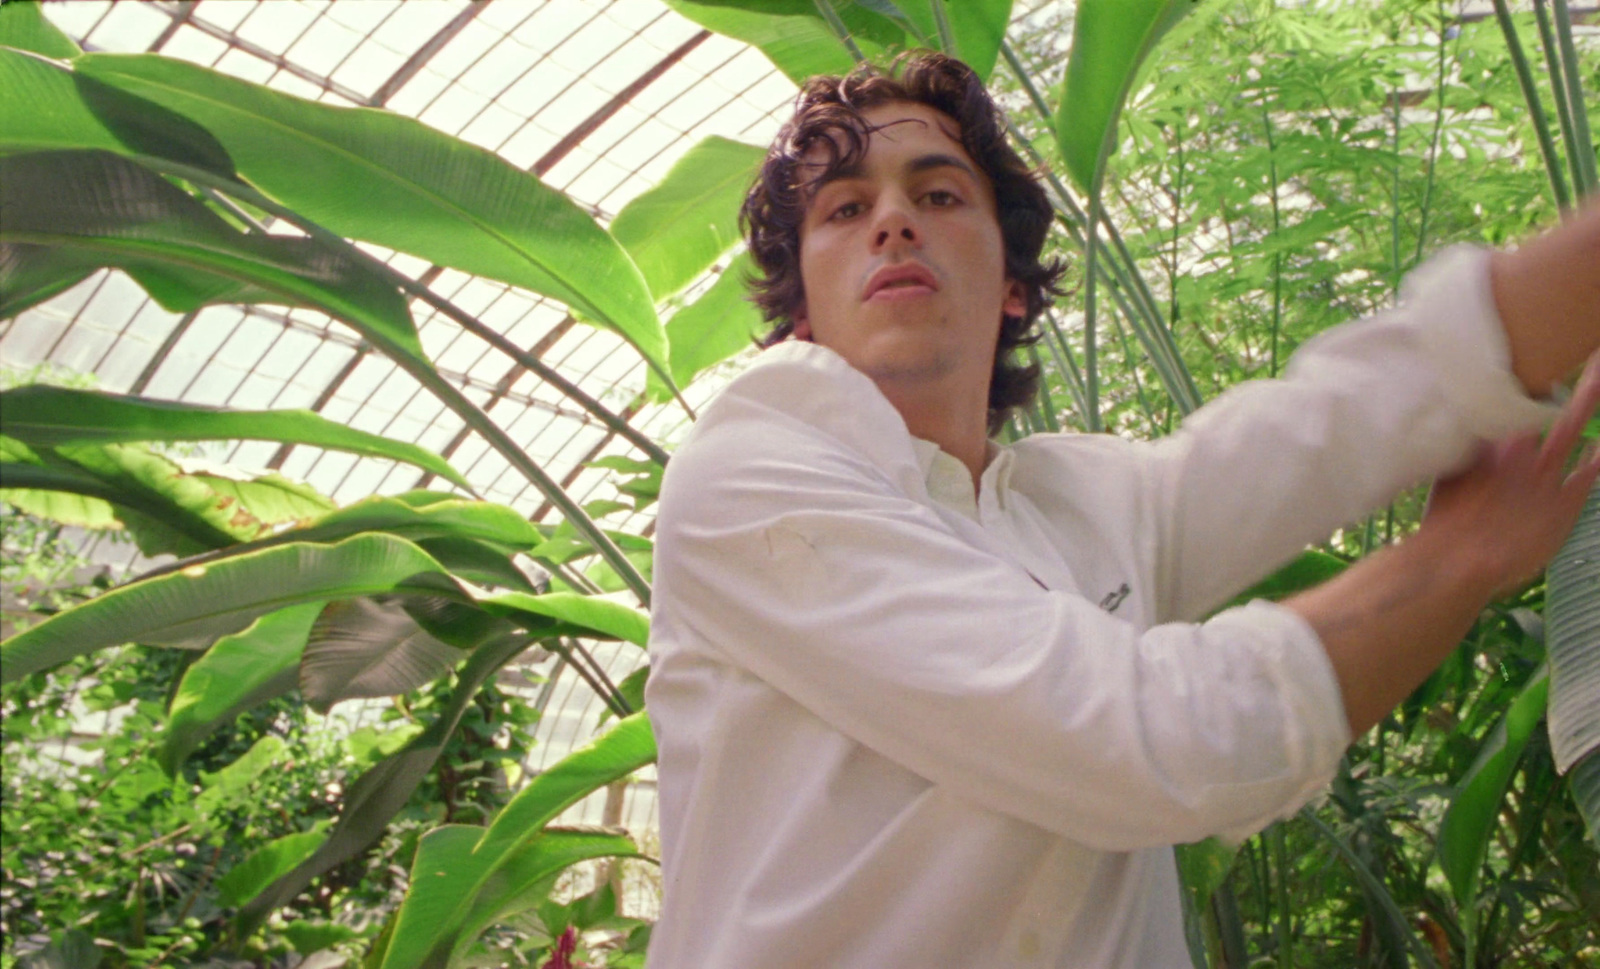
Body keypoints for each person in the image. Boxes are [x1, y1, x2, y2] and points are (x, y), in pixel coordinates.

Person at [642, 53, 1600, 967]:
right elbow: (1137, 738)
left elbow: (1332, 421)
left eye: (937, 194)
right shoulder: (754, 467)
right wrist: (1454, 559)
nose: (893, 220)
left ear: (1014, 289)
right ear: (802, 315)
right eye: (845, 209)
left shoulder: (1084, 501)